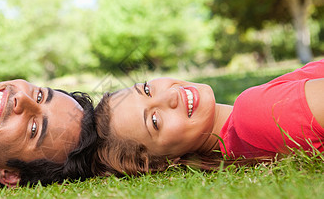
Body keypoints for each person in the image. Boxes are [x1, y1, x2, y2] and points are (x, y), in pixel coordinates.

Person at [93, 59, 324, 176]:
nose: (171, 95)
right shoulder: (252, 112)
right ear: (164, 162)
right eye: (155, 120)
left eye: (146, 89)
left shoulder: (246, 125)